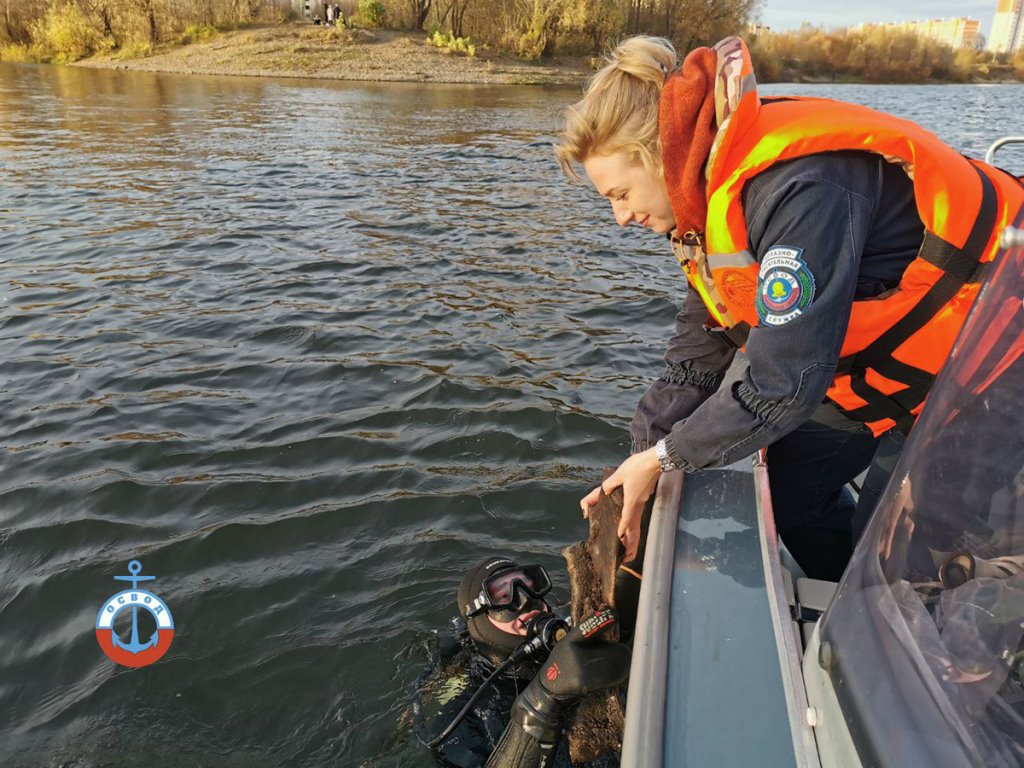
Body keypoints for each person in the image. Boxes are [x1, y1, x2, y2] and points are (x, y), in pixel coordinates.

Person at [557, 35, 1024, 581]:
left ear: (659, 157)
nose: (620, 217)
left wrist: (666, 458)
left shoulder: (801, 188)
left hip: (994, 360)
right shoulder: (705, 211)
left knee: (898, 547)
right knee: (789, 489)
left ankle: (911, 601)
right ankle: (839, 593)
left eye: (620, 194)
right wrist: (638, 464)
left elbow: (784, 384)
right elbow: (698, 353)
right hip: (893, 369)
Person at [414, 556, 630, 768]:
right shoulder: (462, 717)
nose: (526, 600)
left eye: (530, 586)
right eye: (503, 595)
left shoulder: (576, 633)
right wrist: (543, 701)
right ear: (479, 621)